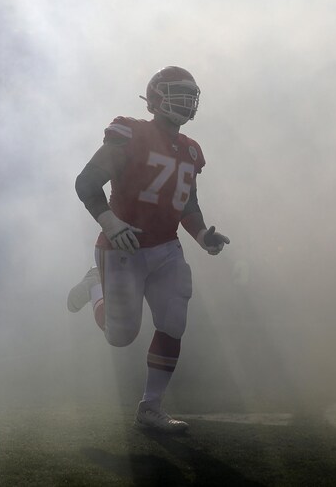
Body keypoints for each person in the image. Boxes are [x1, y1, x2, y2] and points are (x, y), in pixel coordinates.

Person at [67, 66, 230, 433]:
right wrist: (110, 222)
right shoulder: (130, 131)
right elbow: (87, 181)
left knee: (174, 323)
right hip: (122, 246)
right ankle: (95, 286)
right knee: (120, 336)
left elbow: (186, 202)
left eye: (191, 95)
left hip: (167, 248)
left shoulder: (191, 149)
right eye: (178, 92)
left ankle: (150, 407)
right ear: (155, 97)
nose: (187, 101)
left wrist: (203, 235)